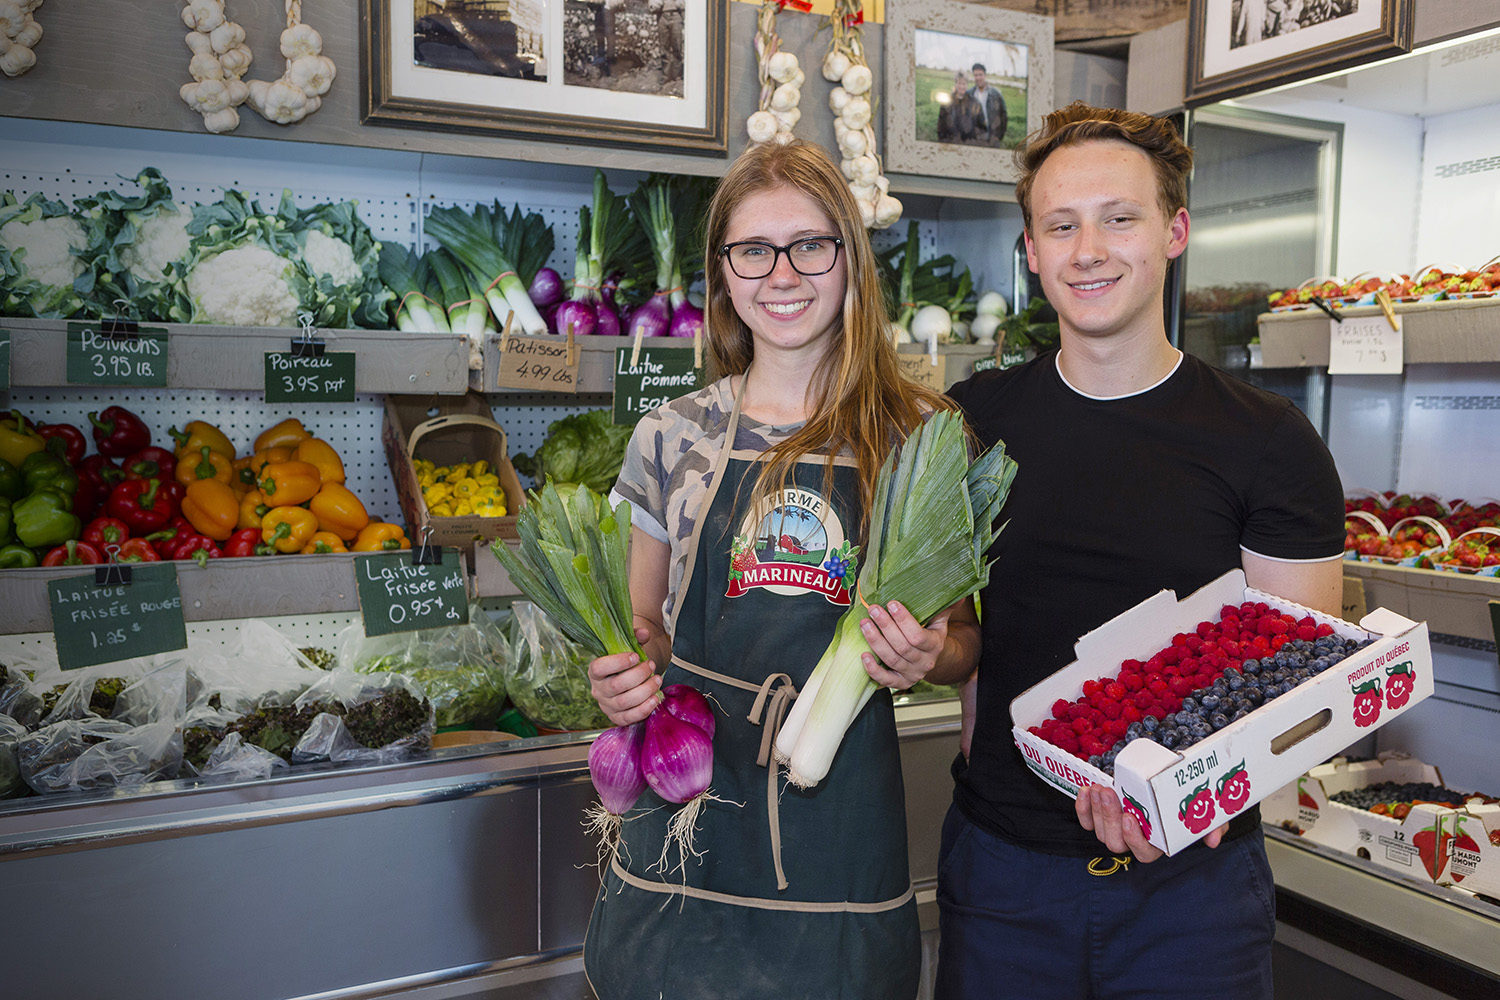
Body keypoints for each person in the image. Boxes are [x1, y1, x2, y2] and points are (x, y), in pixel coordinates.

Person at [936, 102, 1345, 998]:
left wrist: (1200, 787)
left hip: (1192, 893)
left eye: (1119, 218)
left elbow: (1310, 689)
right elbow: (957, 640)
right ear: (1032, 251)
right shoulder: (972, 424)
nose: (1089, 249)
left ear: (1174, 231)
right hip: (1004, 877)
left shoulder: (1269, 442)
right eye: (1061, 224)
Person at [582, 137, 981, 999]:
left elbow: (965, 647)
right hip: (687, 798)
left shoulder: (919, 436)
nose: (783, 274)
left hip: (838, 814)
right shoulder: (670, 433)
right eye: (753, 250)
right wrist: (619, 674)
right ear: (723, 272)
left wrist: (927, 658)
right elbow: (643, 625)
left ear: (849, 259)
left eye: (811, 245)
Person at [968, 63, 1008, 146]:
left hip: (992, 138)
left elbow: (1004, 116)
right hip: (974, 138)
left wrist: (998, 136)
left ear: (985, 75)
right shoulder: (969, 94)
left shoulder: (996, 94)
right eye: (976, 75)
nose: (978, 78)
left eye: (980, 75)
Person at [936, 70, 981, 145]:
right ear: (955, 84)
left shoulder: (974, 103)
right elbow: (940, 127)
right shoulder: (946, 102)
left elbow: (979, 127)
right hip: (950, 144)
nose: (961, 87)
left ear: (967, 85)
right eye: (959, 83)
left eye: (964, 84)